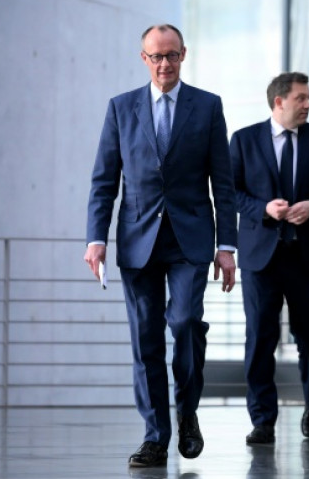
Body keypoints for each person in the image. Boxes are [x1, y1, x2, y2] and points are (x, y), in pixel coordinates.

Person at [84, 24, 238, 468]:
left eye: (172, 55)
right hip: (138, 239)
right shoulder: (121, 108)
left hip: (190, 238)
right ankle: (155, 436)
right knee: (145, 338)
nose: (165, 63)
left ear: (184, 54)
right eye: (156, 56)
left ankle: (187, 410)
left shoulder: (207, 106)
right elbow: (104, 181)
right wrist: (96, 239)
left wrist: (226, 246)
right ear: (144, 59)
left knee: (186, 322)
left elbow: (223, 184)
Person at [229, 72, 309, 445]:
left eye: (308, 97)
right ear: (279, 101)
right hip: (260, 257)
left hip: (308, 256)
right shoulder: (244, 139)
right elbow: (230, 192)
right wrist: (264, 208)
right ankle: (263, 420)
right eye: (301, 98)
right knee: (260, 336)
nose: (308, 104)